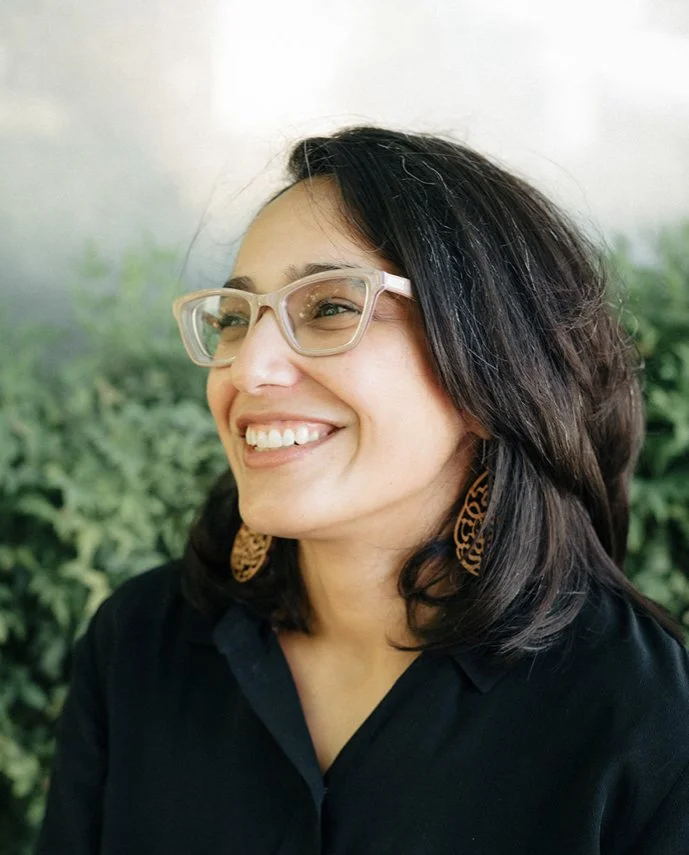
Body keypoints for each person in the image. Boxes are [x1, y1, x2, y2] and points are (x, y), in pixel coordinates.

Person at [35, 126, 689, 854]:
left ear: (488, 369)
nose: (248, 369)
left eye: (329, 308)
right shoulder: (141, 643)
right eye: (233, 317)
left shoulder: (641, 714)